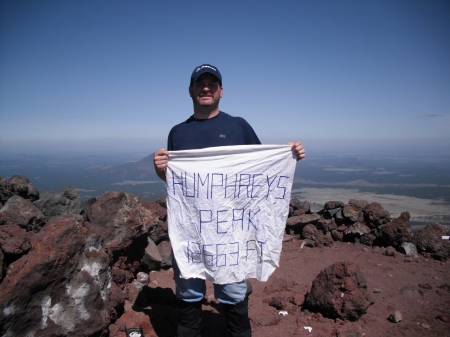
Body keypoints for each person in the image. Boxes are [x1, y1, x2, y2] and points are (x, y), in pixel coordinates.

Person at [153, 64, 305, 337]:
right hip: (192, 229)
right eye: (200, 84)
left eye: (212, 84)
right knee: (188, 291)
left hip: (230, 231)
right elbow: (180, 186)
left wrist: (289, 155)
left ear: (221, 91)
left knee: (234, 292)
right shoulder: (178, 132)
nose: (206, 88)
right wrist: (161, 171)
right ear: (191, 90)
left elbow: (260, 171)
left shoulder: (239, 126)